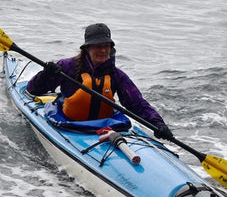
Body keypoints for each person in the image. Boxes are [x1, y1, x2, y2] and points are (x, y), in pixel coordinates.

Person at [25, 23, 174, 140]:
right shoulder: (67, 67)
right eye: (98, 46)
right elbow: (33, 90)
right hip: (69, 125)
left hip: (104, 127)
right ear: (87, 48)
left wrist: (158, 124)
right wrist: (46, 75)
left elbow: (137, 104)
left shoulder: (117, 75)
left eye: (106, 46)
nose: (103, 51)